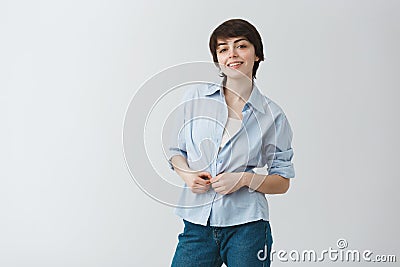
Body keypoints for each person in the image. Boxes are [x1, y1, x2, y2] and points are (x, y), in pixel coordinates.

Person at [167, 18, 295, 267]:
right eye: (223, 49)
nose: (232, 54)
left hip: (248, 229)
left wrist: (245, 179)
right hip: (197, 226)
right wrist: (187, 175)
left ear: (256, 54)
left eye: (241, 46)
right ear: (217, 59)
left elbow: (282, 181)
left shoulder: (273, 115)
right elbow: (175, 151)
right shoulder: (195, 97)